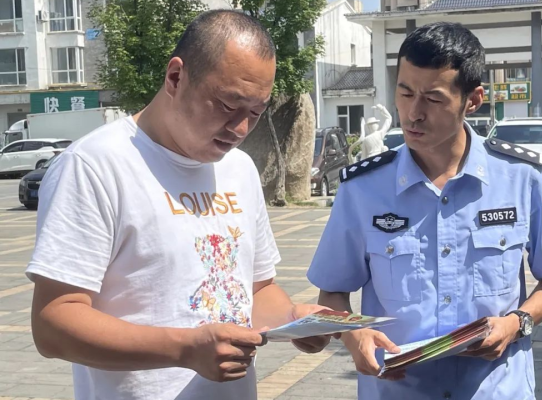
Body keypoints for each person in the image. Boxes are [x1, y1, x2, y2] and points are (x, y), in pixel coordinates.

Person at [27, 10, 329, 400]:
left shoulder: (239, 169)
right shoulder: (94, 166)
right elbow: (53, 325)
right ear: (175, 77)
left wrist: (292, 319)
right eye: (228, 105)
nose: (240, 129)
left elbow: (255, 291)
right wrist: (184, 349)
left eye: (255, 112)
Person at [307, 22, 542, 400]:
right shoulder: (363, 189)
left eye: (433, 99)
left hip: (496, 389)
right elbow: (332, 292)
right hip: (398, 391)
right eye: (405, 93)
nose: (413, 113)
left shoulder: (522, 178)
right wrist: (354, 335)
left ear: (473, 99)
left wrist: (517, 323)